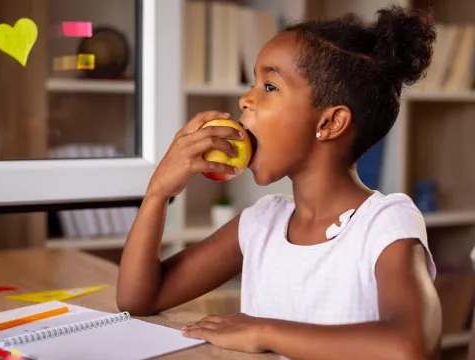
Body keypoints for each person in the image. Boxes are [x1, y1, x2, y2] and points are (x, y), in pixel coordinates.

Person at [117, 4, 442, 360]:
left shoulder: (384, 224)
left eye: (269, 85)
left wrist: (262, 330)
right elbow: (139, 299)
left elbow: (410, 346)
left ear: (330, 123)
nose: (245, 99)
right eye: (253, 84)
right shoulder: (263, 222)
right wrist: (159, 192)